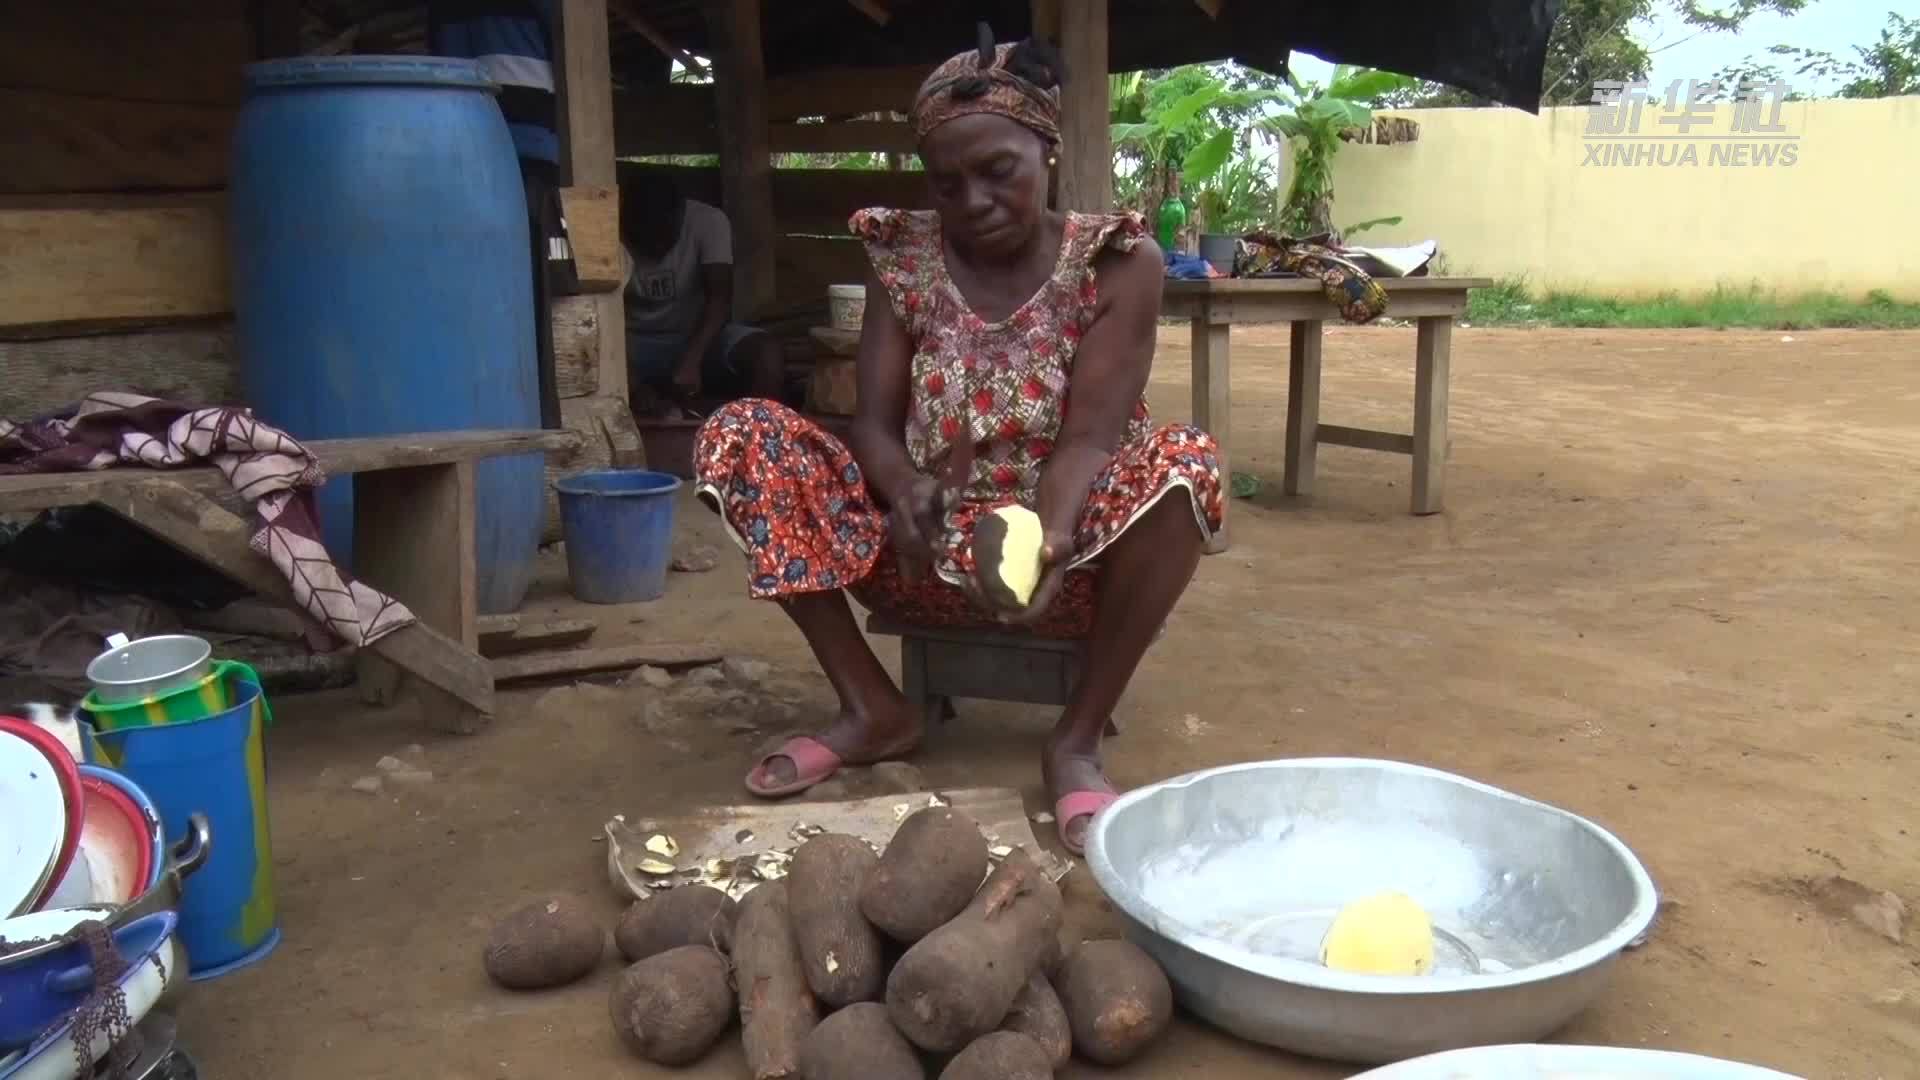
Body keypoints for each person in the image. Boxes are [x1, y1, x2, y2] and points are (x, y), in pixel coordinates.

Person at [690, 28, 1224, 856]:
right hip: (916, 554)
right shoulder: (901, 258)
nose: (971, 198)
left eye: (997, 171)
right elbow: (871, 421)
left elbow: (1090, 436)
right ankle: (874, 708)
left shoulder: (1117, 263)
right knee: (744, 433)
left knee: (1186, 462)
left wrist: (1044, 538)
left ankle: (1075, 739)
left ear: (1045, 149)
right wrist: (904, 490)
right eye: (947, 184)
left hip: (1064, 563)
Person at [427, 0, 567, 430]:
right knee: (525, 293)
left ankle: (501, 412)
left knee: (485, 291)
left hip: (461, 148)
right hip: (521, 152)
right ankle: (525, 415)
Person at [621, 173, 787, 413]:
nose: (656, 246)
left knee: (767, 353)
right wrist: (633, 384)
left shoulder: (708, 221)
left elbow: (719, 299)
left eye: (663, 235)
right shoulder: (609, 227)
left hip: (696, 337)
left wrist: (692, 359)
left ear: (680, 214)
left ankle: (761, 436)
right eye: (645, 236)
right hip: (632, 343)